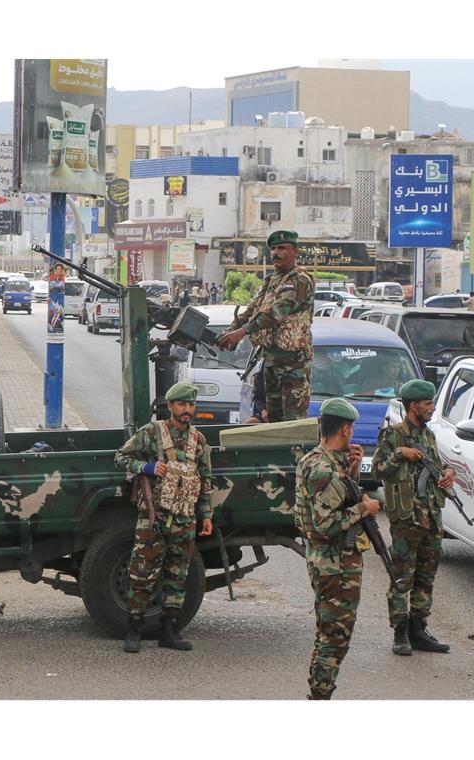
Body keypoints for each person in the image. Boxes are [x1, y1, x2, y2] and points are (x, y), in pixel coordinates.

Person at [114, 381, 214, 653]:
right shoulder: (152, 433)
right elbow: (121, 457)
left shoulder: (198, 440)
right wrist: (145, 466)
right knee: (141, 574)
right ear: (170, 406)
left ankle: (170, 631)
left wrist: (206, 515)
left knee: (177, 575)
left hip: (185, 518)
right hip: (154, 517)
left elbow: (205, 480)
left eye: (191, 405)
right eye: (182, 404)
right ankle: (133, 630)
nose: (187, 410)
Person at [295, 397, 381, 699]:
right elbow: (326, 523)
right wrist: (365, 509)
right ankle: (319, 696)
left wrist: (354, 471)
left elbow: (337, 498)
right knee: (335, 636)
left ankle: (320, 693)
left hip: (332, 561)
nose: (353, 433)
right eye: (352, 428)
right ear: (345, 429)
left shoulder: (318, 460)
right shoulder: (323, 469)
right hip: (334, 563)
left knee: (329, 632)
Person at [371, 379, 454, 657]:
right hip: (407, 520)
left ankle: (419, 629)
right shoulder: (394, 435)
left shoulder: (428, 435)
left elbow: (436, 468)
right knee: (401, 578)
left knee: (426, 577)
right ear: (413, 406)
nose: (432, 408)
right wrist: (400, 454)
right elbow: (378, 471)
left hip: (431, 517)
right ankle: (400, 632)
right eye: (428, 404)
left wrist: (447, 475)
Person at [217, 230, 315, 422]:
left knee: (293, 424)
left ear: (294, 251)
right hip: (271, 363)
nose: (276, 253)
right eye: (273, 249)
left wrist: (241, 333)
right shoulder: (271, 281)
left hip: (292, 365)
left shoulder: (300, 280)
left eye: (282, 248)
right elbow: (251, 311)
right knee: (274, 421)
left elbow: (276, 313)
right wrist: (229, 332)